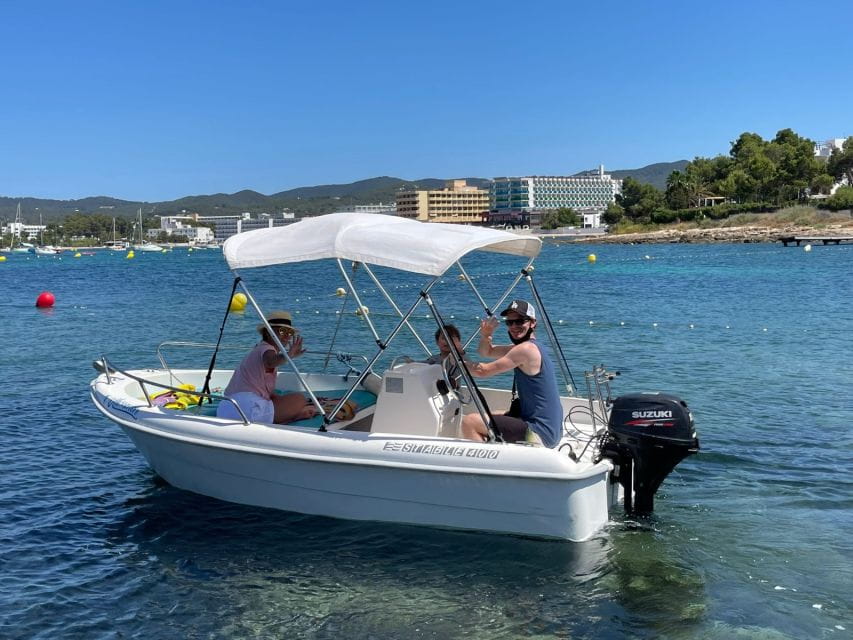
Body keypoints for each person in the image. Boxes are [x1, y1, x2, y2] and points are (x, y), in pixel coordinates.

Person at [461, 300, 563, 448]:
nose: (514, 326)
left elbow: (482, 371)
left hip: (539, 433)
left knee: (470, 422)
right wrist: (486, 336)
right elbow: (486, 352)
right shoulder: (531, 347)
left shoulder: (526, 350)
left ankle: (489, 466)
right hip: (551, 431)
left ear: (533, 323)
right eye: (510, 323)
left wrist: (455, 362)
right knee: (495, 413)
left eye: (519, 321)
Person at [217, 311, 318, 423]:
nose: (287, 336)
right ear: (268, 332)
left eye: (289, 333)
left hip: (226, 407)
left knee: (278, 398)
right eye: (282, 331)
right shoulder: (267, 349)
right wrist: (289, 355)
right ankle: (292, 416)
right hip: (246, 409)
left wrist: (289, 356)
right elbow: (270, 361)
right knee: (299, 399)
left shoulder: (258, 349)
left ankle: (291, 416)